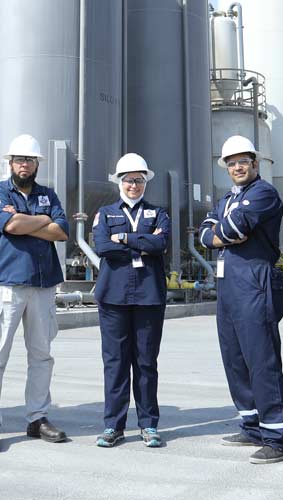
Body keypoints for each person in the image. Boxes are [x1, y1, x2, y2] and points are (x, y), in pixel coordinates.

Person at [0, 134, 71, 453]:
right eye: (19, 159)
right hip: (8, 285)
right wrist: (41, 222)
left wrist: (29, 220)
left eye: (29, 160)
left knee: (42, 355)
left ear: (37, 164)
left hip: (43, 285)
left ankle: (37, 417)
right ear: (10, 163)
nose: (24, 164)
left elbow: (60, 231)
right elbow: (11, 227)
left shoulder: (48, 195)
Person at [198, 135, 283, 464]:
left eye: (242, 161)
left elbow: (234, 230)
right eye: (231, 163)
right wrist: (216, 233)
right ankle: (252, 424)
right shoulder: (227, 198)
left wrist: (219, 233)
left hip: (255, 279)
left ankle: (277, 435)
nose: (237, 167)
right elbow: (206, 233)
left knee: (261, 358)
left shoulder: (263, 193)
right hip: (229, 284)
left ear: (254, 163)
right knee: (234, 357)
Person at [91, 153, 171, 448]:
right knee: (115, 362)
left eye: (138, 180)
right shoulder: (105, 212)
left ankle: (149, 425)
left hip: (149, 297)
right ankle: (113, 425)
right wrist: (142, 240)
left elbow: (161, 244)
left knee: (146, 363)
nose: (133, 185)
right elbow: (101, 246)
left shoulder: (158, 213)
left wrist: (123, 239)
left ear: (145, 182)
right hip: (113, 297)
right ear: (119, 182)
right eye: (128, 180)